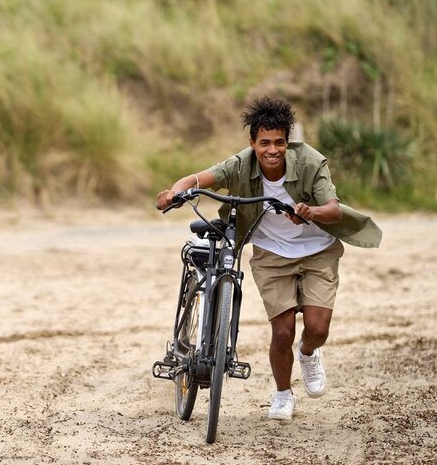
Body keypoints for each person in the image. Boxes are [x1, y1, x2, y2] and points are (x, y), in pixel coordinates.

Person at [156, 97, 381, 421]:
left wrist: (310, 211)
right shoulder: (240, 165)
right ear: (253, 143)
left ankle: (308, 353)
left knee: (317, 328)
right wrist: (174, 193)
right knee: (282, 331)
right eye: (264, 143)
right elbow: (196, 179)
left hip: (317, 251)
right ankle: (282, 394)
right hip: (271, 255)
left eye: (279, 143)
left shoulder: (309, 162)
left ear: (288, 143)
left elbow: (332, 209)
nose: (271, 150)